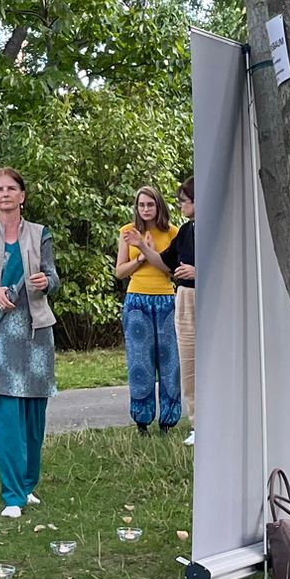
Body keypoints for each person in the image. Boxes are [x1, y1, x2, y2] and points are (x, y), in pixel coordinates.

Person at [0, 167, 60, 519]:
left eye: (12, 188)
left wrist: (43, 281)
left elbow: (54, 279)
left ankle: (28, 484)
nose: (5, 194)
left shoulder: (40, 234)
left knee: (34, 416)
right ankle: (12, 495)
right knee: (5, 415)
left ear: (22, 196)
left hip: (35, 335)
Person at [115, 185, 182, 434]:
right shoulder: (127, 232)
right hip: (136, 301)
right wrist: (140, 258)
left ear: (159, 206)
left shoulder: (173, 233)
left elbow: (171, 269)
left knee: (169, 363)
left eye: (150, 205)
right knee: (140, 361)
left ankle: (168, 420)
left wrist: (146, 248)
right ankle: (142, 420)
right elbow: (120, 271)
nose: (145, 209)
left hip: (165, 300)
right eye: (141, 205)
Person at [166, 177, 198, 443]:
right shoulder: (185, 232)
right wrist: (142, 248)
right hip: (185, 298)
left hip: (213, 299)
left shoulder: (218, 230)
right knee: (188, 362)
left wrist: (198, 272)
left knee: (214, 361)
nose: (180, 206)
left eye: (183, 201)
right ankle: (197, 424)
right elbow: (165, 262)